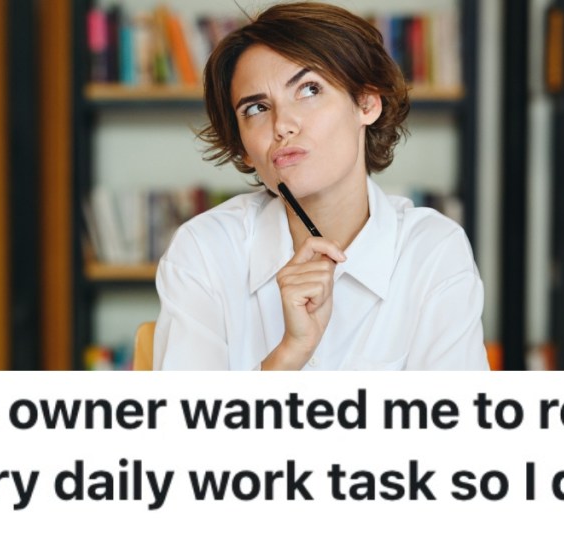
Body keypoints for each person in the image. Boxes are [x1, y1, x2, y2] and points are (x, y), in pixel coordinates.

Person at [153, 2, 487, 370]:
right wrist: (289, 353)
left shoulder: (433, 251)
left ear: (367, 103)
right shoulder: (204, 250)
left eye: (309, 89)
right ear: (244, 148)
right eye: (256, 109)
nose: (282, 125)